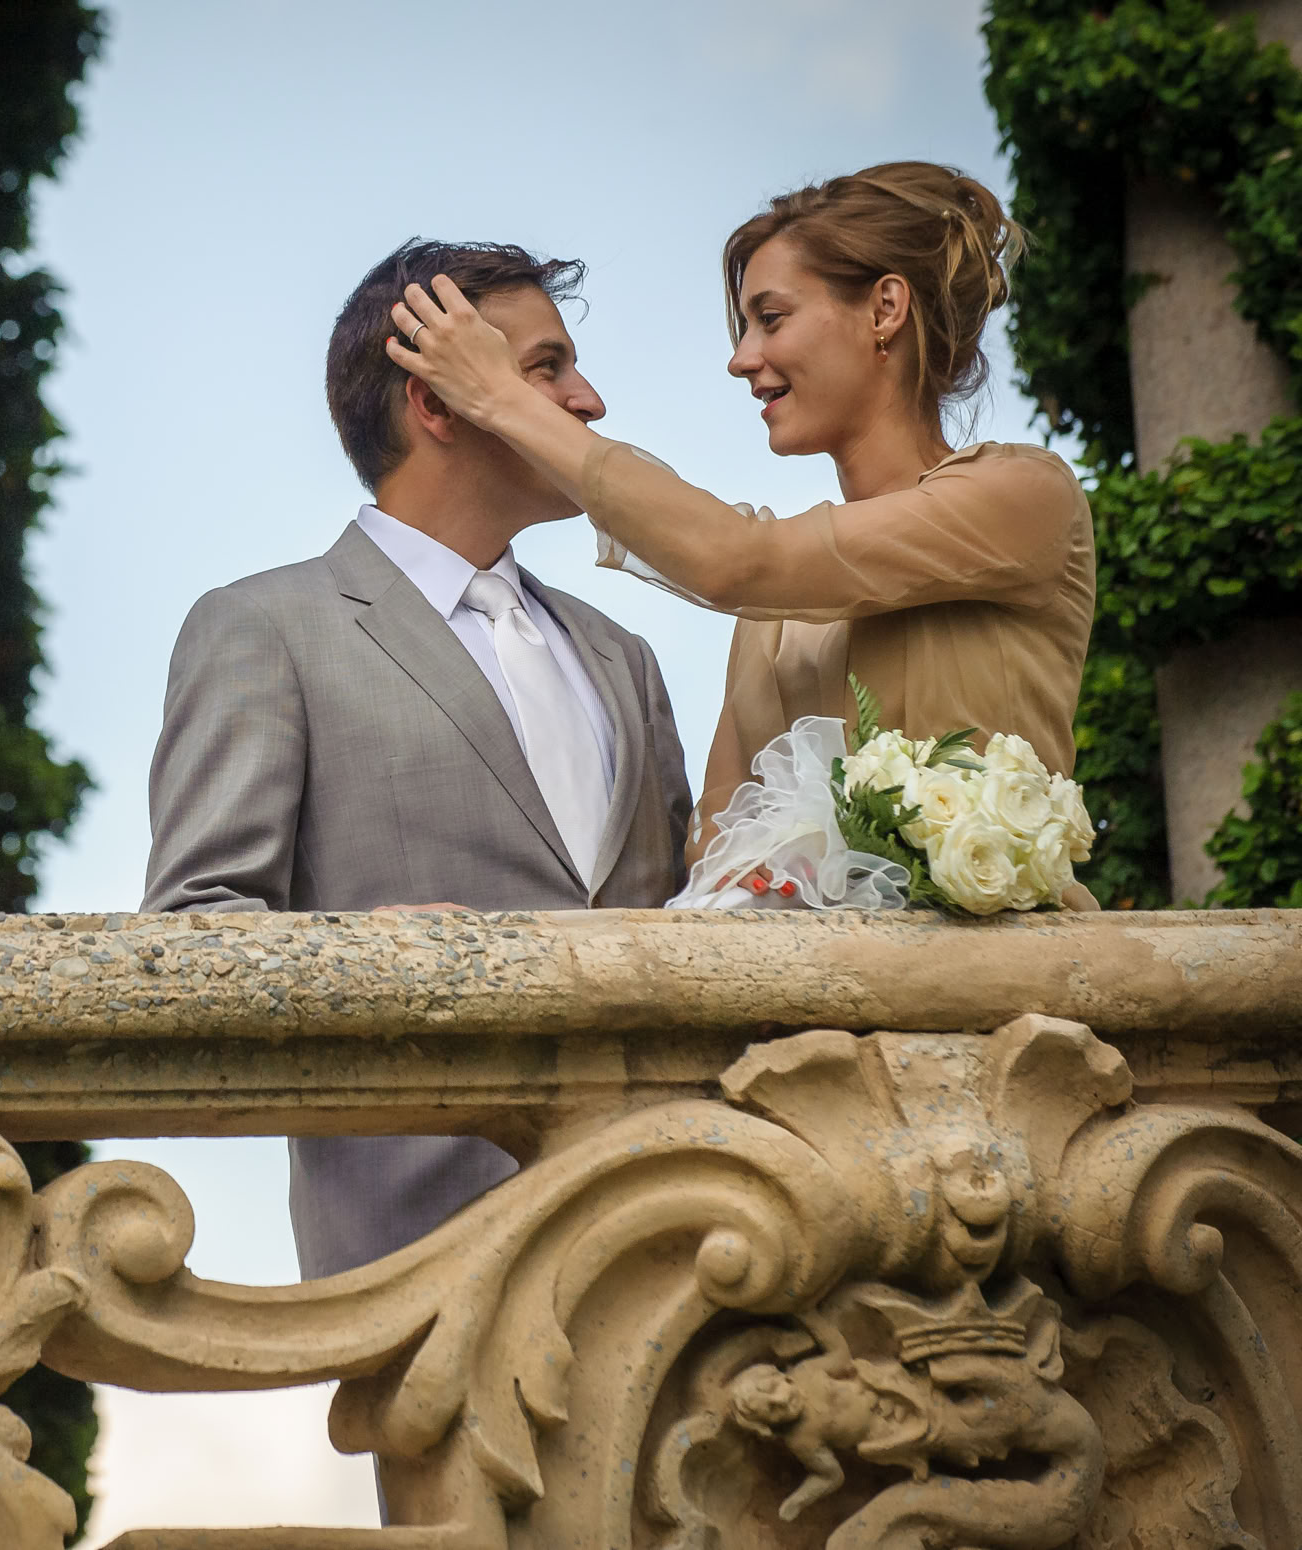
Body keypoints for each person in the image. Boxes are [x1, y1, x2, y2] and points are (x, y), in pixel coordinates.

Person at [142, 239, 692, 1280]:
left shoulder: (628, 657)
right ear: (435, 402)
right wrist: (362, 958)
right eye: (546, 367)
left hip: (677, 1246)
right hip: (421, 1264)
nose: (590, 400)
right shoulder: (264, 628)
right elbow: (191, 934)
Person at [384, 163, 1095, 864]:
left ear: (885, 310)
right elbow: (714, 847)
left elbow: (736, 558)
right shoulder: (774, 615)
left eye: (771, 319)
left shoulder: (1025, 496)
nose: (742, 357)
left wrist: (501, 398)